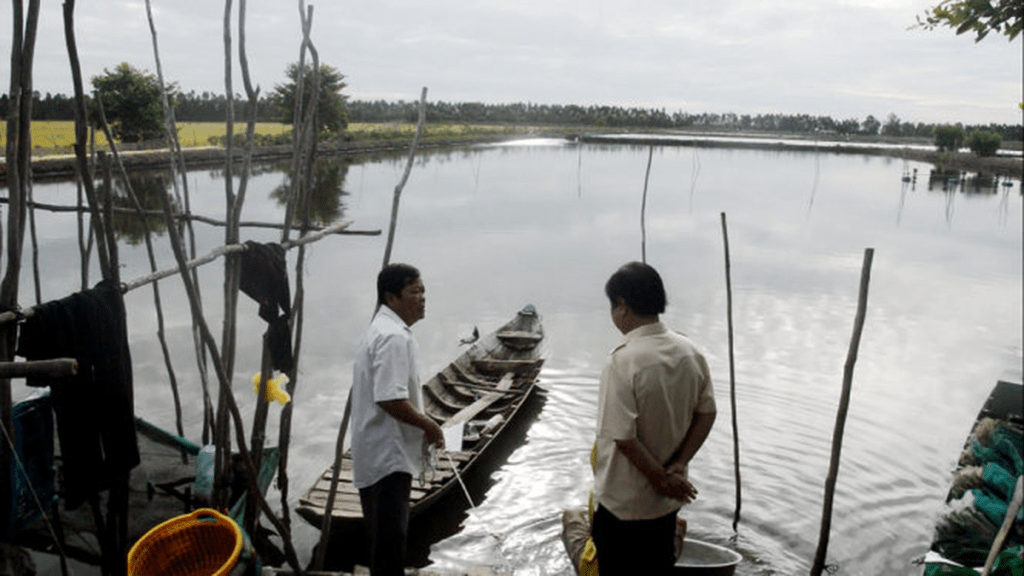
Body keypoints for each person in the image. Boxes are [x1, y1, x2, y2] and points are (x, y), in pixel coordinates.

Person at [592, 261, 717, 576]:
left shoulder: (623, 361)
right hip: (666, 503)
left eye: (612, 306)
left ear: (622, 306)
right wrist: (677, 467)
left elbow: (624, 438)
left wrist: (660, 478)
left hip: (623, 507)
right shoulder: (690, 351)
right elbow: (707, 413)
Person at [350, 263, 445, 576]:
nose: (422, 298)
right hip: (388, 456)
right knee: (390, 545)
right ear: (391, 298)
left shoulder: (382, 330)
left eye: (423, 291)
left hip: (376, 452)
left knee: (382, 542)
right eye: (414, 292)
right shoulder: (393, 337)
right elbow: (389, 398)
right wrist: (429, 425)